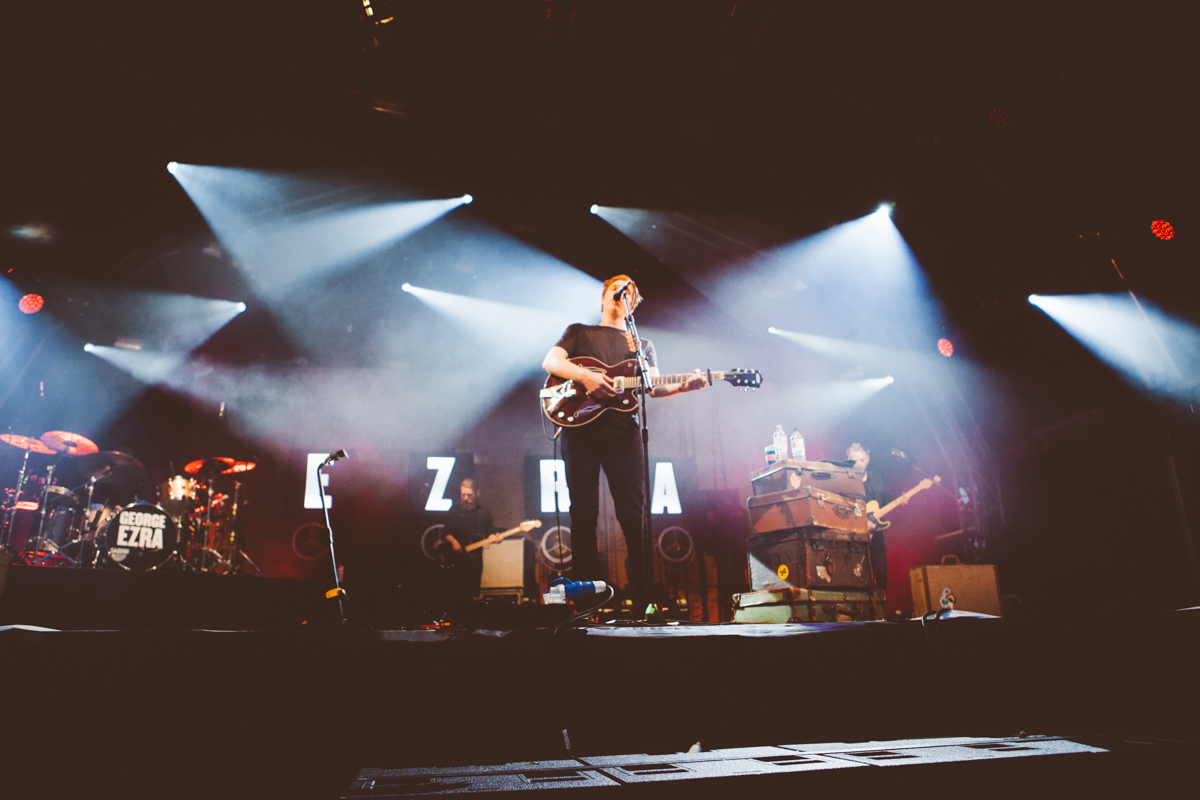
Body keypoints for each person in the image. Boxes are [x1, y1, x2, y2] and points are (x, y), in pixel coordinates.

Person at [541, 275, 707, 613]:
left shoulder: (641, 346)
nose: (623, 290)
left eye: (630, 289)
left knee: (634, 517)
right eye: (618, 286)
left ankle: (645, 602)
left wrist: (685, 386)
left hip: (623, 434)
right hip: (580, 430)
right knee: (584, 515)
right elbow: (551, 363)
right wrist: (585, 375)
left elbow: (653, 386)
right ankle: (585, 607)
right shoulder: (579, 332)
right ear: (604, 296)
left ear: (634, 303)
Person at [846, 443, 905, 591]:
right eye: (855, 461)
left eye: (862, 460)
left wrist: (899, 499)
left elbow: (884, 498)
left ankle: (880, 610)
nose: (859, 464)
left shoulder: (875, 477)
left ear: (868, 457)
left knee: (881, 577)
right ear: (848, 459)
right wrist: (862, 523)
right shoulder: (845, 480)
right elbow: (843, 509)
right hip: (855, 538)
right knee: (857, 578)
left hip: (876, 537)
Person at [440, 478, 502, 611]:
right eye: (463, 495)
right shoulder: (454, 510)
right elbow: (446, 532)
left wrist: (494, 537)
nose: (465, 498)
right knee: (455, 594)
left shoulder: (483, 512)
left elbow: (489, 531)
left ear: (477, 493)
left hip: (474, 559)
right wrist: (454, 542)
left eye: (469, 495)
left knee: (473, 593)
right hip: (456, 560)